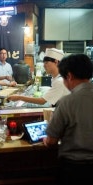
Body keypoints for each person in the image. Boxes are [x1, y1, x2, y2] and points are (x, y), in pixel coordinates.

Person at [43, 53, 93, 185]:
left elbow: (52, 140)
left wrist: (46, 140)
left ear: (69, 76)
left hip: (74, 168)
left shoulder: (67, 102)